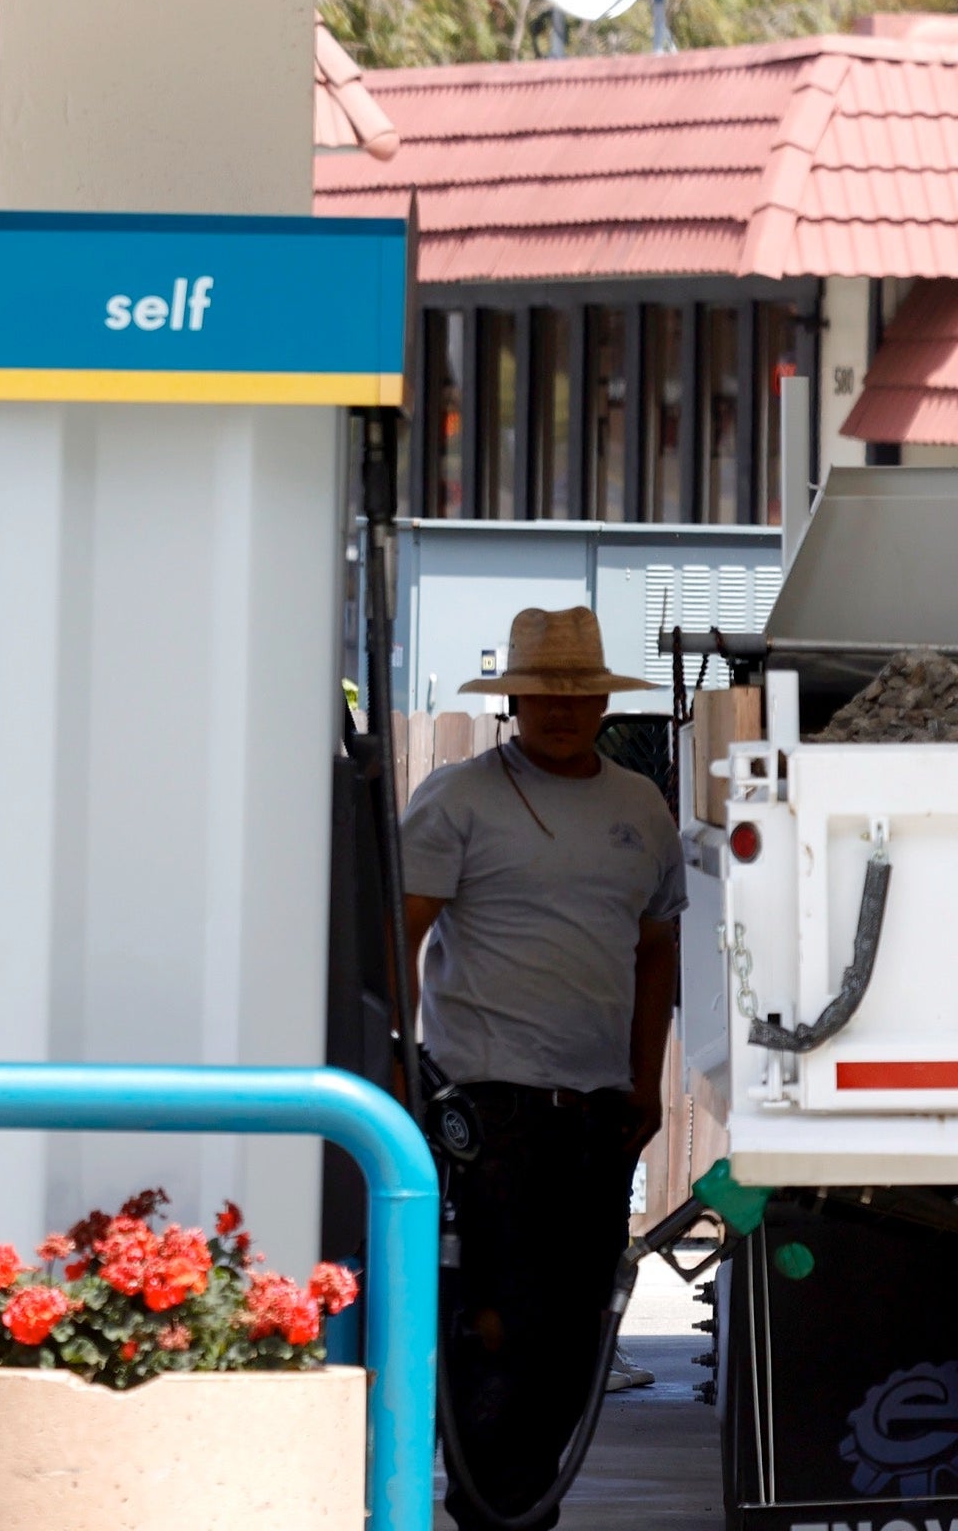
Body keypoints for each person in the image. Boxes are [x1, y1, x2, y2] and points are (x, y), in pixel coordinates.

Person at [401, 606, 683, 1531]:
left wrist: (646, 1086)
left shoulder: (641, 806)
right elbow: (393, 937)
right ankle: (499, 1511)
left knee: (573, 1329)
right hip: (485, 1106)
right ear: (512, 698)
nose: (561, 711)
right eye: (543, 695)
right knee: (493, 1324)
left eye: (578, 694)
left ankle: (517, 1505)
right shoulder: (457, 798)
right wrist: (405, 1079)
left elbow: (656, 955)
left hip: (597, 1108)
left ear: (604, 699)